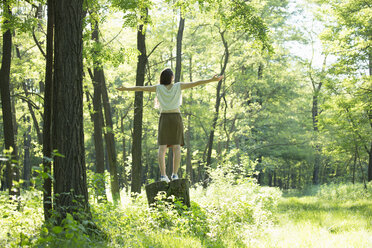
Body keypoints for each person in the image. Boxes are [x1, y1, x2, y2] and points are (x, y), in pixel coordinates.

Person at [117, 68, 223, 182]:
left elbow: (140, 88)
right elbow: (196, 83)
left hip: (165, 118)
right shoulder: (177, 86)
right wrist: (211, 80)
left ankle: (164, 175)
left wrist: (125, 89)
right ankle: (174, 174)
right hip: (175, 118)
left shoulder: (158, 88)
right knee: (176, 147)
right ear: (171, 77)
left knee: (163, 147)